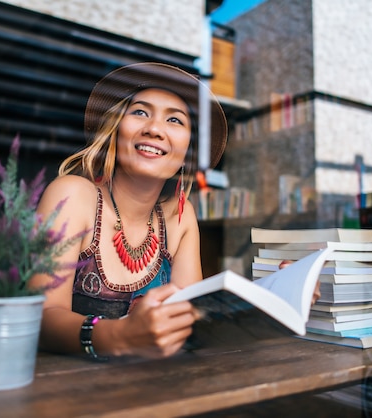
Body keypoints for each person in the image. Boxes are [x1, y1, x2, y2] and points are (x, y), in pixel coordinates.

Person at [30, 62, 228, 359]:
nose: (154, 129)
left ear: (188, 150)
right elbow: (38, 317)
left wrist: (272, 298)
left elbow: (190, 324)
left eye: (175, 121)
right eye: (139, 112)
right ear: (115, 129)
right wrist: (118, 337)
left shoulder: (179, 217)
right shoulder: (73, 195)